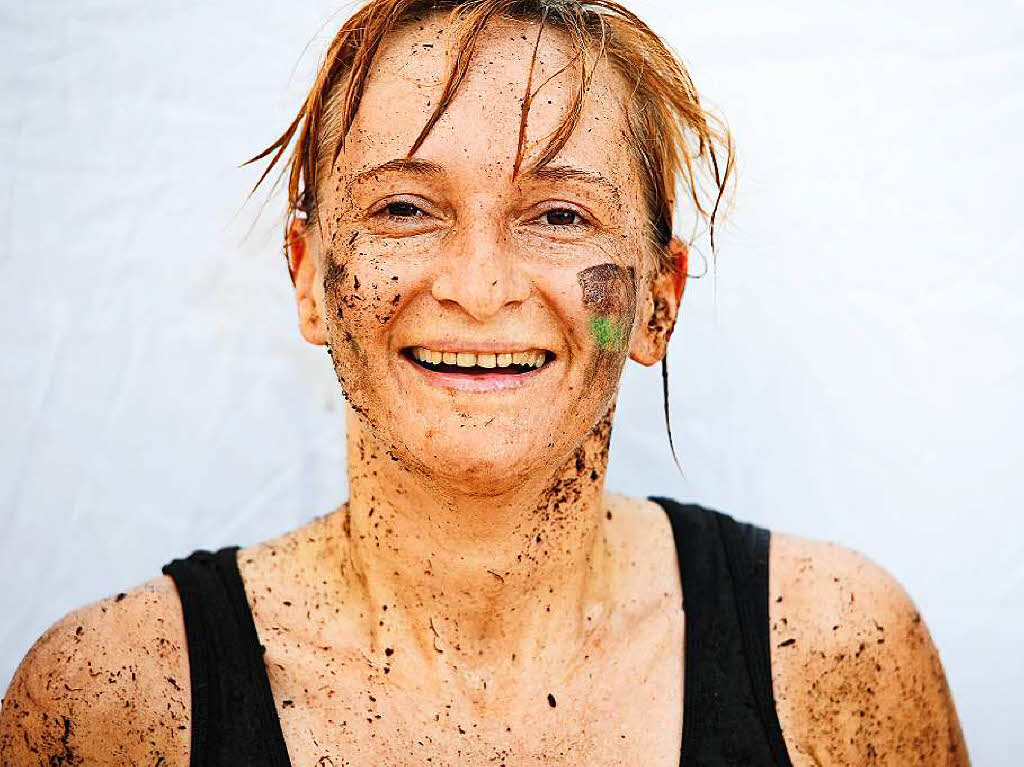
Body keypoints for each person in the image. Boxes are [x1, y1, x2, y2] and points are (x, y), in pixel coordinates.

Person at [0, 0, 968, 764]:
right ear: (307, 277)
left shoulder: (837, 647)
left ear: (657, 301)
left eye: (556, 215)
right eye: (406, 207)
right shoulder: (117, 695)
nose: (478, 287)